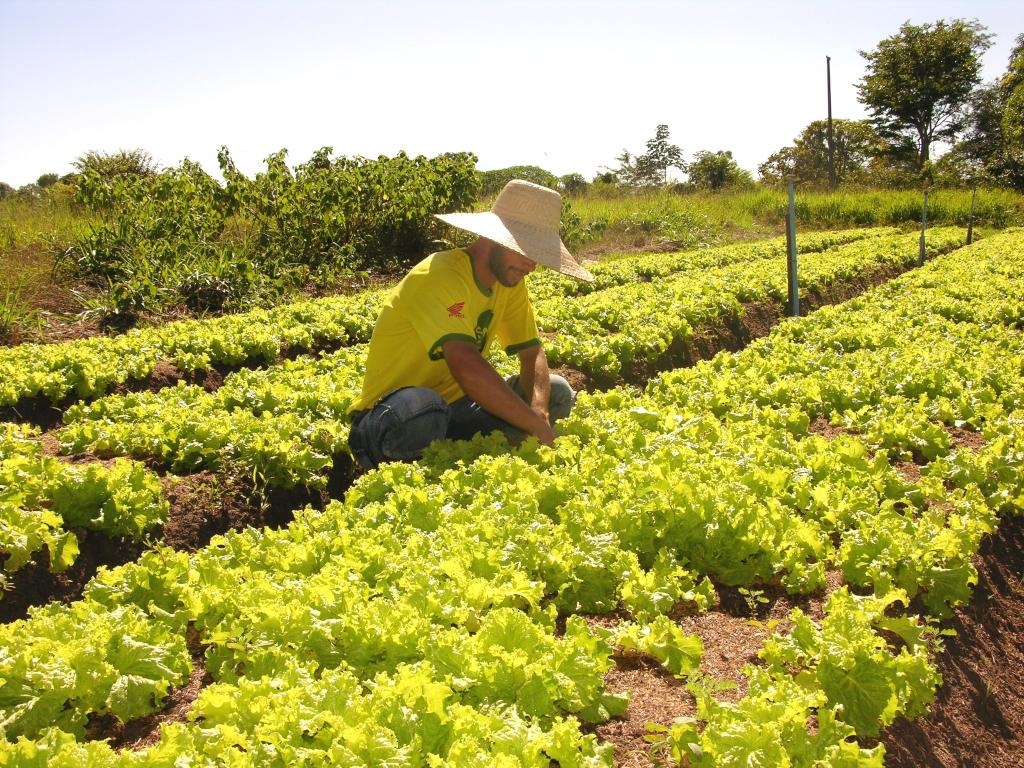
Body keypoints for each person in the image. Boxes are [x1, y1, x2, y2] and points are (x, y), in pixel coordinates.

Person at [347, 179, 595, 470]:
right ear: (496, 240)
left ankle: (470, 466)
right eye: (526, 252)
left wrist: (538, 410)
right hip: (390, 417)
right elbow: (465, 364)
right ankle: (399, 474)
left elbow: (532, 352)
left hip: (457, 410)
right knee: (424, 407)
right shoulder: (439, 275)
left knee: (557, 390)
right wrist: (531, 423)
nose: (532, 266)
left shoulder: (510, 280)